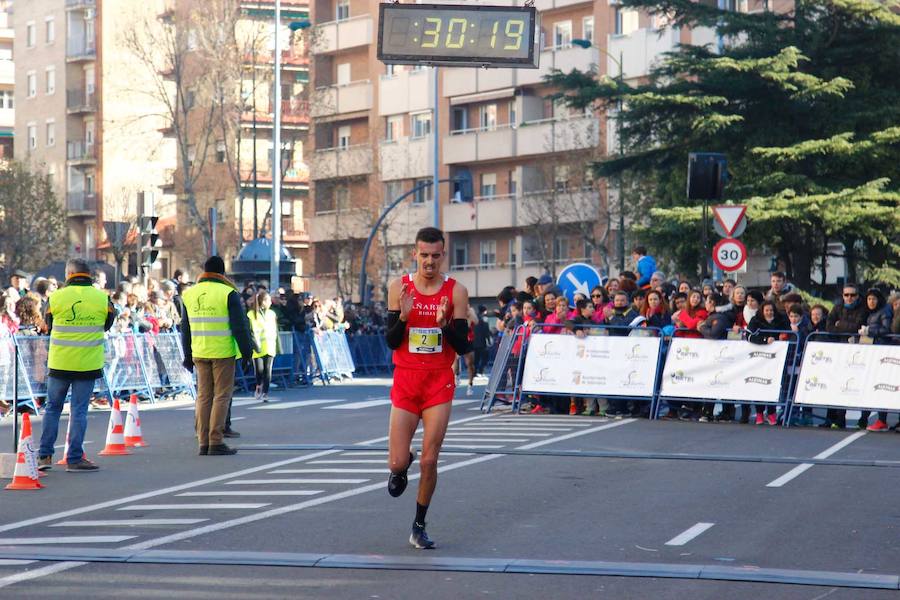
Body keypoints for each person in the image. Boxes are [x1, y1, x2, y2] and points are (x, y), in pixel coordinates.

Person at [383, 227, 471, 550]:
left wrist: (445, 325)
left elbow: (462, 347)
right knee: (396, 465)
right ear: (414, 254)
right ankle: (402, 463)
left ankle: (418, 526)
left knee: (430, 461)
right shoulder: (399, 288)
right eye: (424, 255)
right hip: (406, 381)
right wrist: (404, 318)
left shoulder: (456, 292)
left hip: (438, 382)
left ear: (443, 254)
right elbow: (391, 340)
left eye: (436, 256)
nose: (430, 262)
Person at [37, 259, 115, 472]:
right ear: (88, 274)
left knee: (53, 409)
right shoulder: (102, 299)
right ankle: (74, 458)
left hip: (60, 363)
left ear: (69, 273)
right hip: (87, 365)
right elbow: (108, 324)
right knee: (79, 411)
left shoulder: (56, 298)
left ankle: (44, 456)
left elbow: (49, 324)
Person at [181, 256, 256, 456]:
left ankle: (203, 441)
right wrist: (247, 353)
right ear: (222, 273)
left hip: (199, 351)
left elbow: (185, 329)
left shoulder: (189, 294)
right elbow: (240, 326)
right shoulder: (228, 293)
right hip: (222, 352)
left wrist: (187, 355)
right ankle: (216, 440)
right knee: (221, 396)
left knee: (203, 397)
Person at [821, 284, 868, 429]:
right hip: (839, 351)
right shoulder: (837, 308)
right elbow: (828, 326)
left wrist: (840, 324)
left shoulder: (863, 309)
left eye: (852, 295)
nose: (849, 298)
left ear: (858, 296)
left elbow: (858, 326)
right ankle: (837, 419)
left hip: (858, 352)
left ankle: (863, 419)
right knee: (838, 384)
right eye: (846, 295)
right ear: (842, 296)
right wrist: (844, 327)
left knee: (860, 385)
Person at [747, 301, 789, 425]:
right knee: (759, 384)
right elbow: (748, 336)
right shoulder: (756, 320)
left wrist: (783, 337)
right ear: (762, 311)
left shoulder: (781, 319)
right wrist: (764, 340)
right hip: (759, 357)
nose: (769, 312)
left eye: (771, 310)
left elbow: (789, 333)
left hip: (776, 359)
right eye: (766, 310)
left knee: (773, 384)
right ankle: (759, 413)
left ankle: (771, 413)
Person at [858, 289, 893, 431]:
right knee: (867, 385)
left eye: (873, 299)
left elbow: (886, 330)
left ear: (879, 300)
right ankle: (863, 417)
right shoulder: (869, 313)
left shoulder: (884, 311)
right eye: (868, 299)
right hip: (870, 351)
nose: (871, 302)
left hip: (881, 352)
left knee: (880, 386)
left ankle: (882, 419)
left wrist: (869, 331)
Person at [248, 290, 279, 403]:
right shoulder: (251, 314)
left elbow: (275, 330)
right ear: (263, 301)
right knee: (259, 370)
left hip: (270, 345)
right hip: (257, 347)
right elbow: (251, 330)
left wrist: (278, 345)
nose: (270, 302)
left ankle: (265, 392)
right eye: (269, 300)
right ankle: (258, 385)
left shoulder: (272, 314)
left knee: (268, 370)